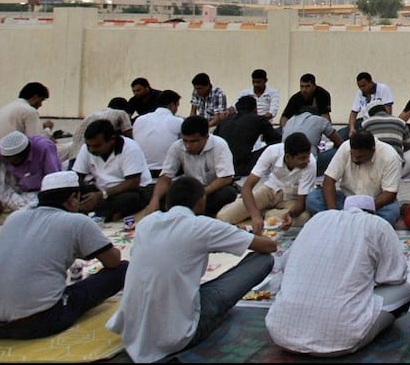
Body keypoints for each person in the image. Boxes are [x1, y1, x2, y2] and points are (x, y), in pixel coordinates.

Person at [107, 176, 277, 363]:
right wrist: (248, 235)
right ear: (200, 202)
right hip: (178, 335)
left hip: (132, 331)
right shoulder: (203, 226)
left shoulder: (147, 223)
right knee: (263, 260)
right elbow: (269, 246)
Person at [0, 171, 128, 340]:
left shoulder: (14, 218)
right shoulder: (78, 222)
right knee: (122, 269)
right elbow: (113, 261)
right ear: (73, 198)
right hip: (39, 323)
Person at [266, 194, 410, 357]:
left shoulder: (317, 219)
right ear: (372, 212)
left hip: (280, 333)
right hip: (341, 340)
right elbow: (395, 276)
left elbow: (286, 264)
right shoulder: (378, 224)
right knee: (404, 290)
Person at [217, 132, 316, 234]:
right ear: (288, 157)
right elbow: (247, 186)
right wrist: (255, 216)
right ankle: (260, 213)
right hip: (270, 191)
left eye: (308, 155)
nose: (307, 161)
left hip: (291, 199)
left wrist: (289, 215)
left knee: (304, 218)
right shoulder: (272, 152)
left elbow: (300, 204)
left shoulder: (311, 163)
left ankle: (266, 213)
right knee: (223, 217)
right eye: (302, 158)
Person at [142, 116, 238, 218]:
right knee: (151, 190)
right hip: (189, 189)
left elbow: (226, 178)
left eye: (193, 141)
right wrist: (154, 200)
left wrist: (201, 194)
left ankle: (186, 212)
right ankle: (190, 211)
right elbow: (166, 176)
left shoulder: (219, 145)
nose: (188, 146)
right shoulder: (177, 146)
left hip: (210, 190)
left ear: (206, 137)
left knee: (228, 193)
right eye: (185, 141)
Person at [306, 129, 403, 224]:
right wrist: (333, 213)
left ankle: (349, 223)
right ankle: (344, 223)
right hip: (346, 199)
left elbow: (390, 193)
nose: (355, 159)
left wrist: (367, 207)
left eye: (360, 157)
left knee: (391, 212)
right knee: (313, 198)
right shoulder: (345, 147)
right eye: (352, 155)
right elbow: (329, 180)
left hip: (375, 203)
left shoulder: (390, 156)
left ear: (373, 150)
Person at [72, 120, 154, 221]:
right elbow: (77, 177)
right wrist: (76, 197)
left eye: (97, 146)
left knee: (129, 199)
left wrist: (102, 195)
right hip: (102, 191)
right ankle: (101, 211)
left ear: (112, 140)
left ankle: (99, 212)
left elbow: (133, 182)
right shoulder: (87, 149)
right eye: (89, 146)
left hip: (133, 190)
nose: (92, 150)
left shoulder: (130, 148)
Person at [0, 131, 62, 214]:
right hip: (17, 186)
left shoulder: (44, 148)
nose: (8, 162)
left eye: (12, 160)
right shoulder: (3, 151)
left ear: (25, 154)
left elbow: (54, 182)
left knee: (36, 209)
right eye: (6, 159)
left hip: (41, 191)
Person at [213, 94, 279, 177]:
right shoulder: (258, 119)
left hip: (221, 166)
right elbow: (274, 140)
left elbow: (215, 139)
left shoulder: (225, 120)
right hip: (241, 167)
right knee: (276, 146)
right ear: (255, 108)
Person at [0, 81, 48, 154]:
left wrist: (42, 127)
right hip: (8, 159)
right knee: (62, 149)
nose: (41, 104)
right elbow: (36, 143)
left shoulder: (9, 107)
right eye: (41, 100)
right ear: (35, 97)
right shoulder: (29, 111)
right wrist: (48, 131)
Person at [362, 102, 410, 175]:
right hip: (396, 171)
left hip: (373, 170)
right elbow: (408, 146)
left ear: (370, 114)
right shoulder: (400, 122)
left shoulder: (365, 124)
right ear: (385, 109)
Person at [67, 98, 133, 166]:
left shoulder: (92, 114)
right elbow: (129, 136)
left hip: (74, 156)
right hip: (91, 158)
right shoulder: (121, 113)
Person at [132, 89, 183, 177]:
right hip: (167, 171)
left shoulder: (139, 120)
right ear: (172, 105)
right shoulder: (177, 121)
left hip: (142, 171)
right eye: (177, 106)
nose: (176, 110)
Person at [347, 71, 394, 136]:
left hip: (380, 123)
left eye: (363, 86)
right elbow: (353, 114)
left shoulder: (383, 89)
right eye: (359, 86)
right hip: (365, 122)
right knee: (343, 133)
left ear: (371, 82)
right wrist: (351, 128)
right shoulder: (359, 93)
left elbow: (388, 112)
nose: (361, 89)